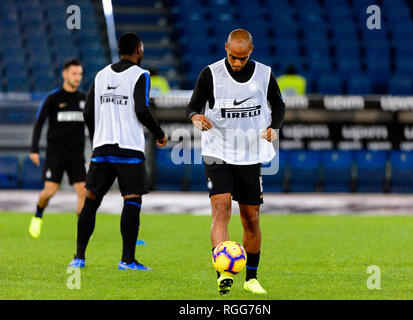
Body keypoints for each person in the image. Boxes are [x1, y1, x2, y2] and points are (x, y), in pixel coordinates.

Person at [185, 29, 285, 295]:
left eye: (242, 58)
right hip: (218, 151)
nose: (237, 62)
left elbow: (279, 104)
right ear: (225, 48)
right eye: (232, 57)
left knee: (251, 218)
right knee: (221, 209)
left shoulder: (264, 74)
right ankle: (223, 273)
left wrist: (274, 127)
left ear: (251, 50)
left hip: (250, 154)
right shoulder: (210, 74)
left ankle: (251, 278)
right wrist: (196, 118)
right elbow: (192, 106)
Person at [69, 32, 168, 270]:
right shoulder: (140, 75)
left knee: (91, 201)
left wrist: (97, 139)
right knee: (131, 201)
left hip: (102, 149)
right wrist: (160, 133)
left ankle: (79, 258)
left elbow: (87, 113)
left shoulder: (101, 75)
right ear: (139, 49)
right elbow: (142, 110)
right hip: (128, 149)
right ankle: (127, 260)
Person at [28, 59, 86, 239]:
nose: (77, 78)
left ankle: (82, 230)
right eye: (74, 74)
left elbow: (92, 126)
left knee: (83, 191)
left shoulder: (84, 99)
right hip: (56, 154)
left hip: (76, 154)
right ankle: (38, 214)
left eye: (80, 74)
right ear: (65, 74)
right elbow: (39, 123)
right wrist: (34, 149)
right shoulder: (53, 98)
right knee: (50, 191)